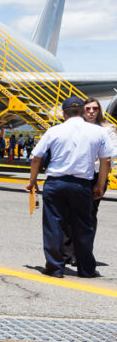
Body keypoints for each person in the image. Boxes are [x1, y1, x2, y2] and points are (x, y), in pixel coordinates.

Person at [26, 96, 114, 278]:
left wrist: (32, 180)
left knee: (54, 225)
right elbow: (106, 160)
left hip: (55, 183)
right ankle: (86, 269)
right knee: (83, 226)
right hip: (82, 184)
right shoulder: (98, 132)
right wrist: (99, 184)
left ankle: (55, 267)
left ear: (64, 113)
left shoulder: (54, 131)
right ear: (82, 112)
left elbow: (36, 157)